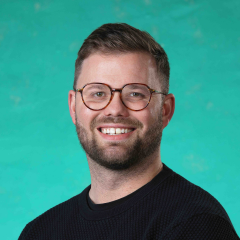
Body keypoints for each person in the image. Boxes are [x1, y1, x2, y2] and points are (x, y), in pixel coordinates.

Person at [19, 23, 239, 240]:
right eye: (97, 93)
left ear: (165, 110)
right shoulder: (39, 232)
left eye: (135, 94)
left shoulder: (196, 225)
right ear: (73, 106)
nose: (115, 109)